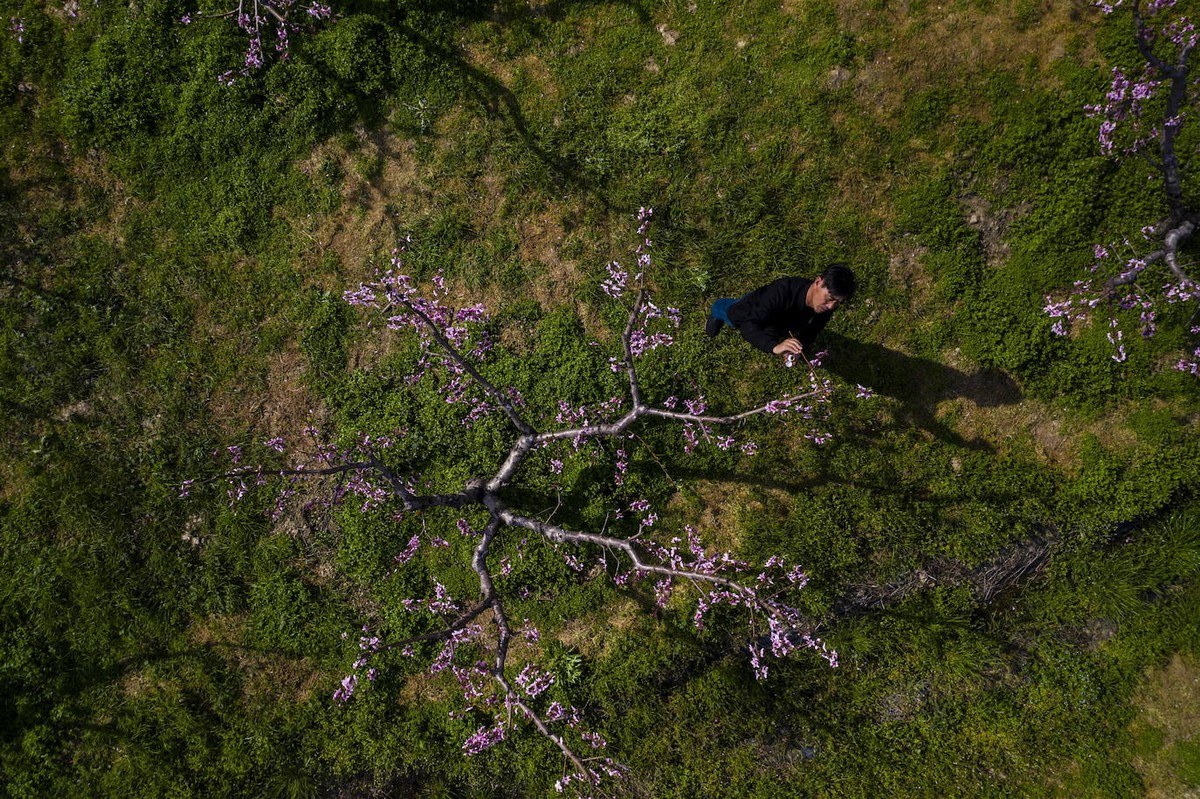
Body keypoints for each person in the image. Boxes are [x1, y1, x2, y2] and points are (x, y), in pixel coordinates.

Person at [706, 264, 856, 359]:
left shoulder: (827, 306)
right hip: (748, 312)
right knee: (729, 312)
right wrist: (774, 347)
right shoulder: (782, 290)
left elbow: (813, 330)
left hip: (778, 324)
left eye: (837, 303)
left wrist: (798, 347)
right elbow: (748, 325)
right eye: (829, 298)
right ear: (818, 282)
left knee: (771, 330)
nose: (831, 307)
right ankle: (716, 311)